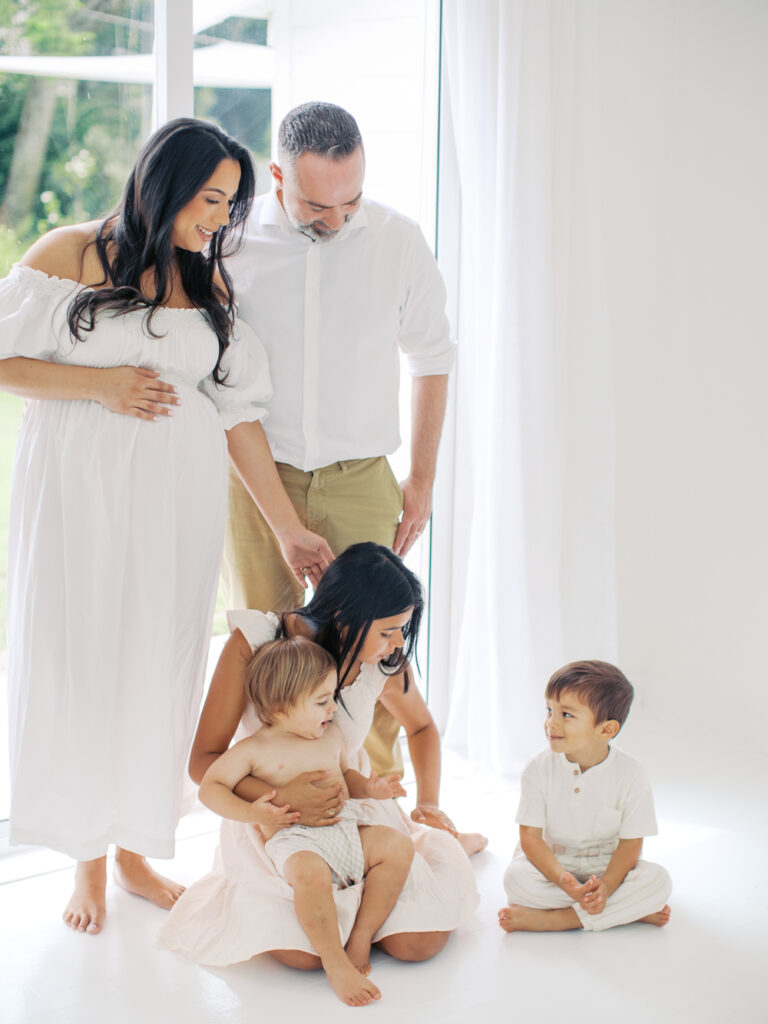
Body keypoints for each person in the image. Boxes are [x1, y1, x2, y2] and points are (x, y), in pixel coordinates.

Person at [0, 117, 332, 937]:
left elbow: (238, 417)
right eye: (209, 198)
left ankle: (134, 850)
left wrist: (286, 527)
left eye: (231, 204)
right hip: (79, 502)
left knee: (156, 663)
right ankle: (85, 856)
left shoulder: (206, 286)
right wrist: (102, 385)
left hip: (174, 509)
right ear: (163, 183)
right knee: (82, 662)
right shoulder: (69, 254)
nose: (219, 218)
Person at [222, 101, 456, 776]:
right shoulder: (229, 243)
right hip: (258, 481)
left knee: (373, 653)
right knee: (268, 653)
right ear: (276, 177)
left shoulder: (398, 240)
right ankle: (280, 803)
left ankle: (380, 804)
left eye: (350, 200)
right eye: (317, 206)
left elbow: (433, 357)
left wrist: (422, 478)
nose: (337, 219)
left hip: (361, 479)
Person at [157, 542, 484, 967]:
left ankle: (431, 850)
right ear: (346, 618)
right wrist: (283, 798)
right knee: (304, 956)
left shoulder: (383, 661)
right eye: (387, 630)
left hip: (351, 803)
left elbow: (421, 727)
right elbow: (204, 761)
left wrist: (428, 803)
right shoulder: (258, 643)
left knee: (418, 944)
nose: (397, 643)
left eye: (402, 629)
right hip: (273, 818)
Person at [200, 634, 414, 1006]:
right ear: (281, 707)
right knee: (309, 875)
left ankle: (361, 935)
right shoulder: (254, 749)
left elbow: (346, 777)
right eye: (321, 701)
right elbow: (210, 787)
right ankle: (334, 961)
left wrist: (371, 788)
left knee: (398, 846)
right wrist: (252, 812)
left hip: (345, 828)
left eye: (332, 697)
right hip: (296, 840)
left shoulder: (330, 736)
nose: (333, 708)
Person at [498, 660, 672, 933]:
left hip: (607, 867)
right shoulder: (537, 769)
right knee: (515, 879)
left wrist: (607, 887)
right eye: (549, 710)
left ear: (606, 730)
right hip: (552, 865)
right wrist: (563, 880)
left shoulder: (632, 774)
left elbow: (630, 845)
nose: (551, 723)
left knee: (659, 881)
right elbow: (530, 837)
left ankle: (559, 919)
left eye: (566, 714)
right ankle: (626, 911)